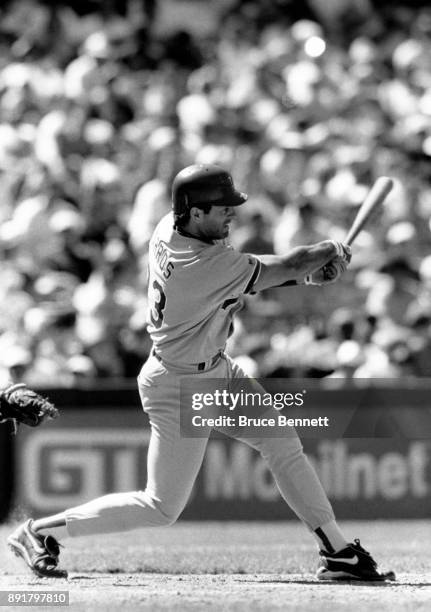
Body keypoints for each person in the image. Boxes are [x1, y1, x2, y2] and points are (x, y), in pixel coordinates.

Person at [8, 164, 394, 582]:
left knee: (282, 442)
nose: (231, 214)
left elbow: (253, 276)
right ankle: (38, 532)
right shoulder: (197, 261)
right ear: (193, 213)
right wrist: (329, 250)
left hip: (216, 372)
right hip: (179, 384)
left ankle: (337, 550)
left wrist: (308, 274)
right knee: (160, 507)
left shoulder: (170, 230)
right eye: (221, 208)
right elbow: (282, 263)